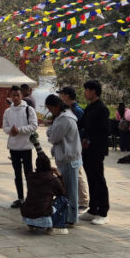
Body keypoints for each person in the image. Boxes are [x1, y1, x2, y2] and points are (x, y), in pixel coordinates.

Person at [44, 93, 80, 230]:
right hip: (64, 156)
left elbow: (53, 136)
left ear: (57, 106)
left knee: (70, 190)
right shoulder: (60, 117)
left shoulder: (65, 119)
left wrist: (51, 133)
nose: (50, 112)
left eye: (51, 108)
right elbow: (51, 132)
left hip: (69, 157)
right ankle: (66, 215)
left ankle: (71, 217)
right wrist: (51, 132)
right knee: (66, 188)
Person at [78, 80, 110, 225]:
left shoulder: (102, 109)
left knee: (98, 179)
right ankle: (93, 209)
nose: (85, 93)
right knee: (91, 178)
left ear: (94, 91)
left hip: (97, 149)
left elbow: (103, 131)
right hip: (87, 149)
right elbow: (82, 124)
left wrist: (89, 140)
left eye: (87, 90)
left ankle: (103, 212)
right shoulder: (89, 108)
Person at [2, 85, 37, 208]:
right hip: (14, 147)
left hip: (26, 147)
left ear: (22, 96)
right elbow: (5, 127)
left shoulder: (28, 110)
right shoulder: (8, 111)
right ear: (10, 96)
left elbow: (34, 126)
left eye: (18, 95)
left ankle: (31, 197)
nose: (16, 98)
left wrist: (20, 130)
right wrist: (10, 131)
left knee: (29, 174)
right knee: (17, 175)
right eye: (13, 95)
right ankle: (20, 198)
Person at [59, 87, 91, 213]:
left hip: (77, 145)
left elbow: (83, 127)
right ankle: (79, 200)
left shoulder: (77, 110)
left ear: (66, 96)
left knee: (78, 172)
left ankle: (83, 201)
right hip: (71, 145)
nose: (61, 97)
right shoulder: (68, 109)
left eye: (62, 95)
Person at [20, 153, 67, 234]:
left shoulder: (30, 177)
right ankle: (57, 227)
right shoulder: (52, 179)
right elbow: (62, 192)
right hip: (42, 215)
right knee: (63, 200)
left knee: (39, 199)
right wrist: (59, 176)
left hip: (28, 214)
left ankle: (32, 226)